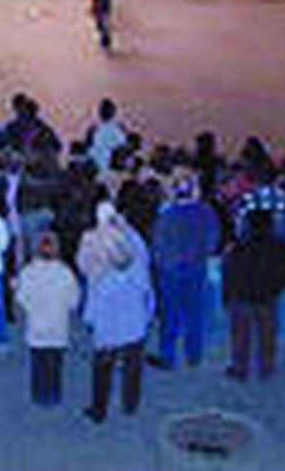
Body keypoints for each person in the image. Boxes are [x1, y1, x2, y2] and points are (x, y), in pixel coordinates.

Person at [79, 203, 154, 422]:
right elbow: (146, 284)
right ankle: (130, 403)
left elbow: (86, 276)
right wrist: (149, 311)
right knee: (133, 362)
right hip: (134, 317)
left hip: (106, 321)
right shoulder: (136, 242)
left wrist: (89, 318)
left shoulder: (94, 245)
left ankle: (99, 409)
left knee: (103, 365)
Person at [150, 173, 219, 370]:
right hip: (196, 268)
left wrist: (161, 265)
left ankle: (168, 356)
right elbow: (213, 242)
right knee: (194, 313)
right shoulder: (206, 212)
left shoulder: (167, 214)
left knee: (170, 315)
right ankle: (194, 355)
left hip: (171, 270)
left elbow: (157, 245)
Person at [223, 209, 285, 381]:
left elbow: (230, 271)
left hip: (242, 296)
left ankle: (241, 368)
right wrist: (276, 289)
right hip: (267, 297)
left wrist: (227, 294)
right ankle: (266, 369)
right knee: (267, 336)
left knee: (240, 336)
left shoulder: (240, 245)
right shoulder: (278, 245)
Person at [14, 231, 79, 406]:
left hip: (36, 326)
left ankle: (38, 394)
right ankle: (53, 394)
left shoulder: (27, 273)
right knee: (55, 363)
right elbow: (74, 302)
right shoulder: (66, 273)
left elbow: (20, 299)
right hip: (58, 326)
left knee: (37, 362)